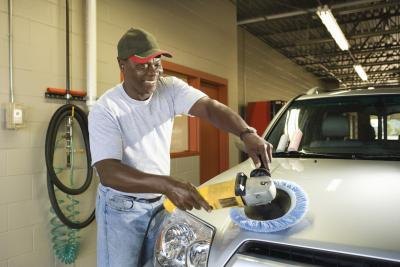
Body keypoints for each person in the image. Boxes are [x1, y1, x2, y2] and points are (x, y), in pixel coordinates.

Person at [88, 28, 272, 267]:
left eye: (157, 63)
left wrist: (246, 132)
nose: (153, 71)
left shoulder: (170, 88)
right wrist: (167, 184)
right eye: (142, 65)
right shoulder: (107, 109)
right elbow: (108, 172)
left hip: (159, 202)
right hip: (121, 207)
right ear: (122, 65)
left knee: (158, 262)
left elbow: (209, 107)